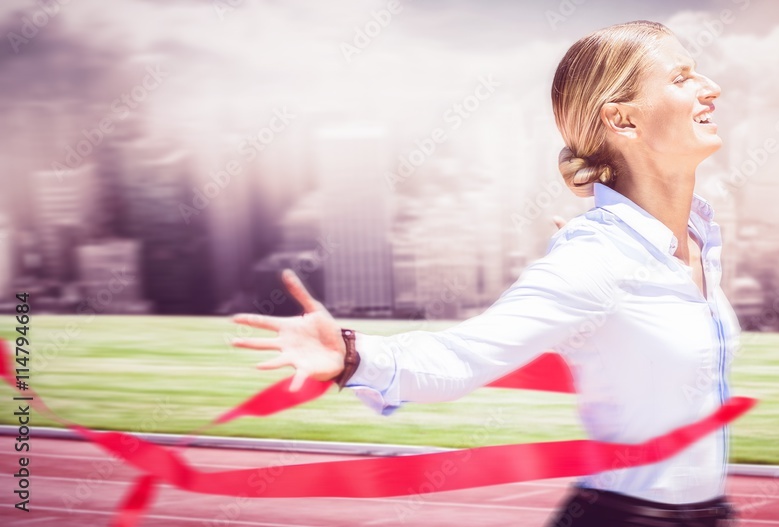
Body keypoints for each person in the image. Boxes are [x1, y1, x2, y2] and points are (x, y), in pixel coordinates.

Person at [231, 20, 740, 527]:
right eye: (681, 78)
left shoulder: (695, 242)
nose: (710, 88)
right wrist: (350, 354)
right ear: (623, 120)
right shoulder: (597, 257)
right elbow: (463, 357)